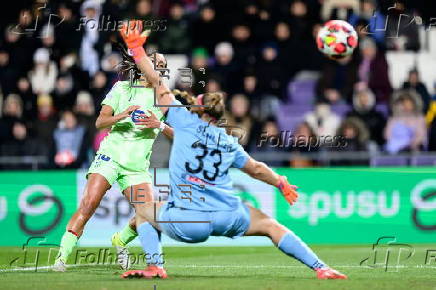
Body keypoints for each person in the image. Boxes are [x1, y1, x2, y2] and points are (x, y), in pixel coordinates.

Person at [118, 20, 347, 280]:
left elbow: (158, 82)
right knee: (271, 225)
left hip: (189, 222)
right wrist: (281, 183)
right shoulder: (228, 140)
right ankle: (321, 267)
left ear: (198, 109)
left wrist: (136, 50)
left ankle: (155, 266)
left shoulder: (183, 120)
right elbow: (257, 169)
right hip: (227, 215)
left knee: (143, 207)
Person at [52, 38, 174, 271]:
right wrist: (123, 115)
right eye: (155, 63)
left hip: (136, 166)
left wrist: (159, 125)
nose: (159, 68)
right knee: (89, 204)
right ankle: (61, 258)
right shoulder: (122, 89)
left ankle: (119, 241)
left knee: (150, 215)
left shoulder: (164, 100)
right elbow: (100, 122)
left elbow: (178, 136)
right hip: (110, 156)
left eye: (162, 65)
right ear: (143, 65)